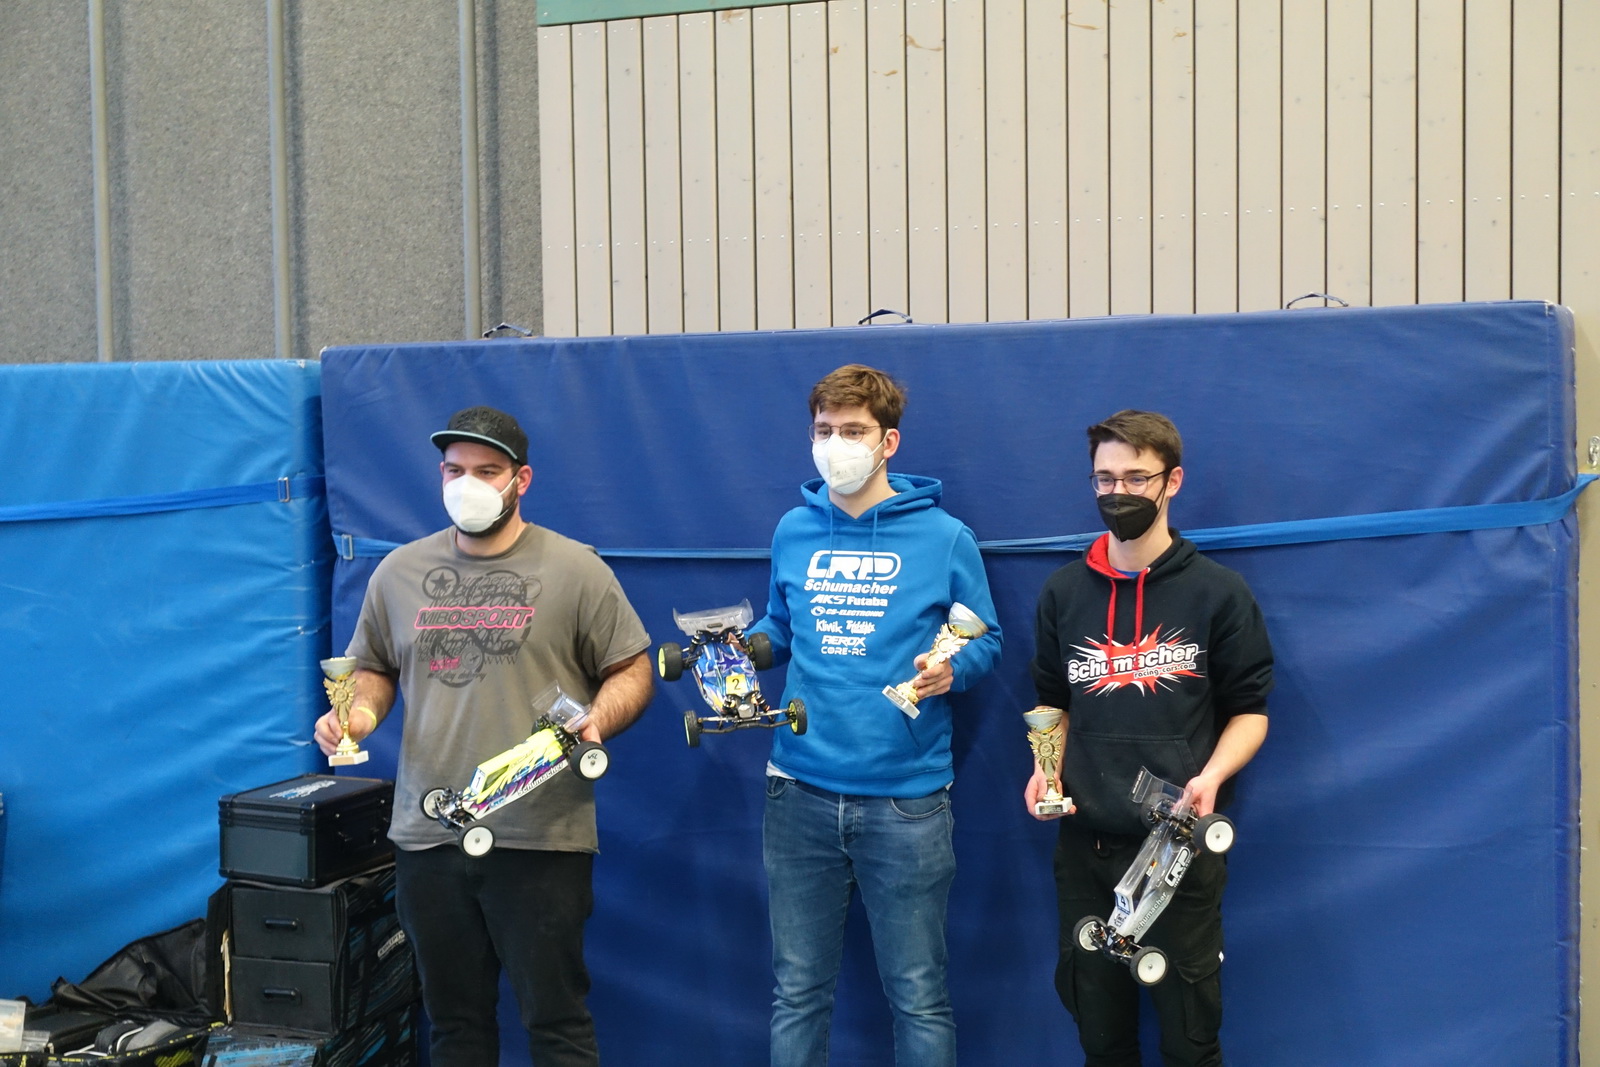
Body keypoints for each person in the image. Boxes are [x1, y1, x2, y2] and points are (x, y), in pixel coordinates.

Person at [314, 405, 653, 1067]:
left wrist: (599, 719)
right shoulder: (398, 573)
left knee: (556, 1024)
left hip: (540, 835)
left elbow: (632, 667)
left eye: (487, 470)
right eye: (454, 470)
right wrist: (357, 717)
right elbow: (374, 667)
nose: (467, 483)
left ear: (521, 479)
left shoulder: (575, 569)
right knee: (455, 1027)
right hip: (429, 833)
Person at [747, 364, 1003, 1067]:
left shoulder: (945, 537)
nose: (836, 444)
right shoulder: (794, 529)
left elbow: (987, 639)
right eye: (824, 429)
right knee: (797, 992)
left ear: (889, 441)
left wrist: (953, 669)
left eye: (853, 430)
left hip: (906, 800)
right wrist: (737, 650)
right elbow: (779, 628)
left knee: (919, 996)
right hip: (796, 790)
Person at [1024, 409, 1273, 1067]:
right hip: (1085, 850)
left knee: (1191, 1041)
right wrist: (1045, 768)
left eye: (1136, 478)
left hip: (1179, 851)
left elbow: (1250, 710)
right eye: (1105, 479)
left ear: (1172, 481)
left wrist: (1212, 776)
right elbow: (1051, 703)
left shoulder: (1219, 593)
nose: (1119, 493)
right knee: (1100, 1038)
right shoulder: (1063, 592)